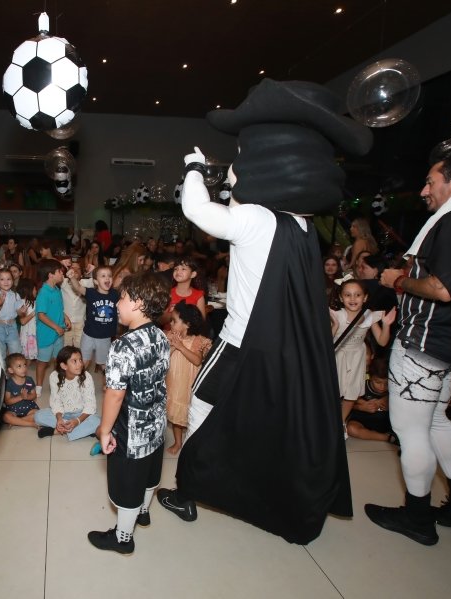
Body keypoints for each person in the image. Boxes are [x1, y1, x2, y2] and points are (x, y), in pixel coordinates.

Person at [157, 80, 369, 544]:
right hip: (281, 350)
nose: (232, 175)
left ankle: (187, 489)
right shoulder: (301, 225)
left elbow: (197, 210)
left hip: (238, 344)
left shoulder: (256, 219)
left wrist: (193, 168)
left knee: (201, 408)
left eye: (237, 166)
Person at [366, 149, 451, 546]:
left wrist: (397, 282)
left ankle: (417, 517)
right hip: (447, 346)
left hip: (423, 346)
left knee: (410, 430)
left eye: (430, 181)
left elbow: (442, 288)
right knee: (437, 421)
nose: (424, 190)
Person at [88, 271, 171, 554]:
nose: (116, 304)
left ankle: (123, 538)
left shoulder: (122, 346)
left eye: (121, 298)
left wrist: (105, 430)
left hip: (131, 429)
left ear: (136, 302)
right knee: (149, 474)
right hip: (157, 424)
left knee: (127, 483)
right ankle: (144, 511)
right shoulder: (161, 335)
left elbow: (114, 393)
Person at [330, 278, 396, 430]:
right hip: (337, 356)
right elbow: (324, 344)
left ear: (365, 297)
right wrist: (335, 326)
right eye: (348, 295)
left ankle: (340, 424)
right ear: (341, 297)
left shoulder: (369, 315)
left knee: (351, 394)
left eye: (357, 295)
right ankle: (328, 423)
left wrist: (386, 325)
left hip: (357, 357)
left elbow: (382, 341)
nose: (353, 299)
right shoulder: (335, 315)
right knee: (332, 392)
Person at [165, 300, 211, 455]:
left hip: (189, 385)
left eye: (174, 321)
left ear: (187, 324)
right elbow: (164, 358)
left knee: (191, 415)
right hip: (174, 384)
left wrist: (181, 346)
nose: (171, 323)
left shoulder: (197, 340)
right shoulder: (171, 338)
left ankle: (191, 442)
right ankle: (178, 442)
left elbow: (197, 360)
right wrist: (172, 345)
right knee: (176, 418)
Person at [34, 345, 100, 442]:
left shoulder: (86, 376)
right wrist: (59, 419)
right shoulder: (54, 376)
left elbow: (90, 405)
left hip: (81, 414)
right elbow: (56, 401)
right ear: (64, 366)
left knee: (98, 421)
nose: (80, 364)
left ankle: (57, 431)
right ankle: (76, 430)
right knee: (38, 416)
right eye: (74, 361)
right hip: (63, 413)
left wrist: (77, 421)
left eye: (80, 360)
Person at [68, 265, 118, 373]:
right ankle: (78, 383)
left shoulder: (115, 295)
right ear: (95, 281)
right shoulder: (91, 293)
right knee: (84, 361)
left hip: (105, 337)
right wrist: (72, 278)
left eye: (109, 276)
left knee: (104, 364)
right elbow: (78, 287)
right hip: (89, 335)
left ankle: (108, 385)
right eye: (103, 276)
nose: (107, 278)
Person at [346, 357, 399, 444]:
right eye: (378, 382)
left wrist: (391, 405)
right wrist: (362, 407)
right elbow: (348, 403)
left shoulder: (394, 389)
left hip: (385, 423)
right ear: (370, 377)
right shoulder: (361, 386)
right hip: (362, 421)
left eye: (387, 384)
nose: (382, 387)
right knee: (351, 429)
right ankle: (386, 438)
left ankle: (390, 435)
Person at [34, 258, 70, 387]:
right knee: (42, 362)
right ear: (51, 275)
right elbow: (41, 315)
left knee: (59, 360)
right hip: (46, 334)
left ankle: (59, 384)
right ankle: (38, 387)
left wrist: (65, 317)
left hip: (58, 333)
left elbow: (58, 309)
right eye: (60, 272)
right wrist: (56, 327)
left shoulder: (57, 290)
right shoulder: (43, 293)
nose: (62, 274)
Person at [0, 268, 22, 358]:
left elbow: (19, 311)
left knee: (15, 351)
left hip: (12, 326)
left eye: (9, 279)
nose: (6, 282)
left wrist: (22, 311)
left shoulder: (16, 295)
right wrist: (0, 302)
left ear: (13, 281)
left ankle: (15, 370)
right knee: (0, 352)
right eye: (2, 279)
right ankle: (2, 370)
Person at [2, 352, 40, 428]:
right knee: (5, 416)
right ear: (11, 370)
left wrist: (26, 397)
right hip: (13, 409)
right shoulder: (9, 383)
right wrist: (21, 397)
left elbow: (33, 395)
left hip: (28, 408)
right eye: (19, 366)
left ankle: (16, 421)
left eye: (24, 365)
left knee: (38, 414)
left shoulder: (29, 380)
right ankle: (30, 424)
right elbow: (7, 401)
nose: (24, 368)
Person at [59, 254, 85, 349]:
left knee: (80, 346)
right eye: (72, 268)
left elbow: (97, 279)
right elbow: (51, 271)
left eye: (78, 268)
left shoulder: (85, 284)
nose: (74, 270)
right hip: (66, 320)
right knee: (66, 346)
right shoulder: (63, 282)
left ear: (82, 274)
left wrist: (93, 270)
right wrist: (60, 263)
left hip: (80, 321)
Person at [16, 279, 38, 366]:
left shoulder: (35, 302)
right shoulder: (22, 303)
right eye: (35, 289)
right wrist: (34, 313)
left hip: (35, 331)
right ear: (29, 290)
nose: (36, 291)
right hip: (28, 333)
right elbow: (23, 321)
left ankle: (25, 368)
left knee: (31, 354)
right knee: (26, 355)